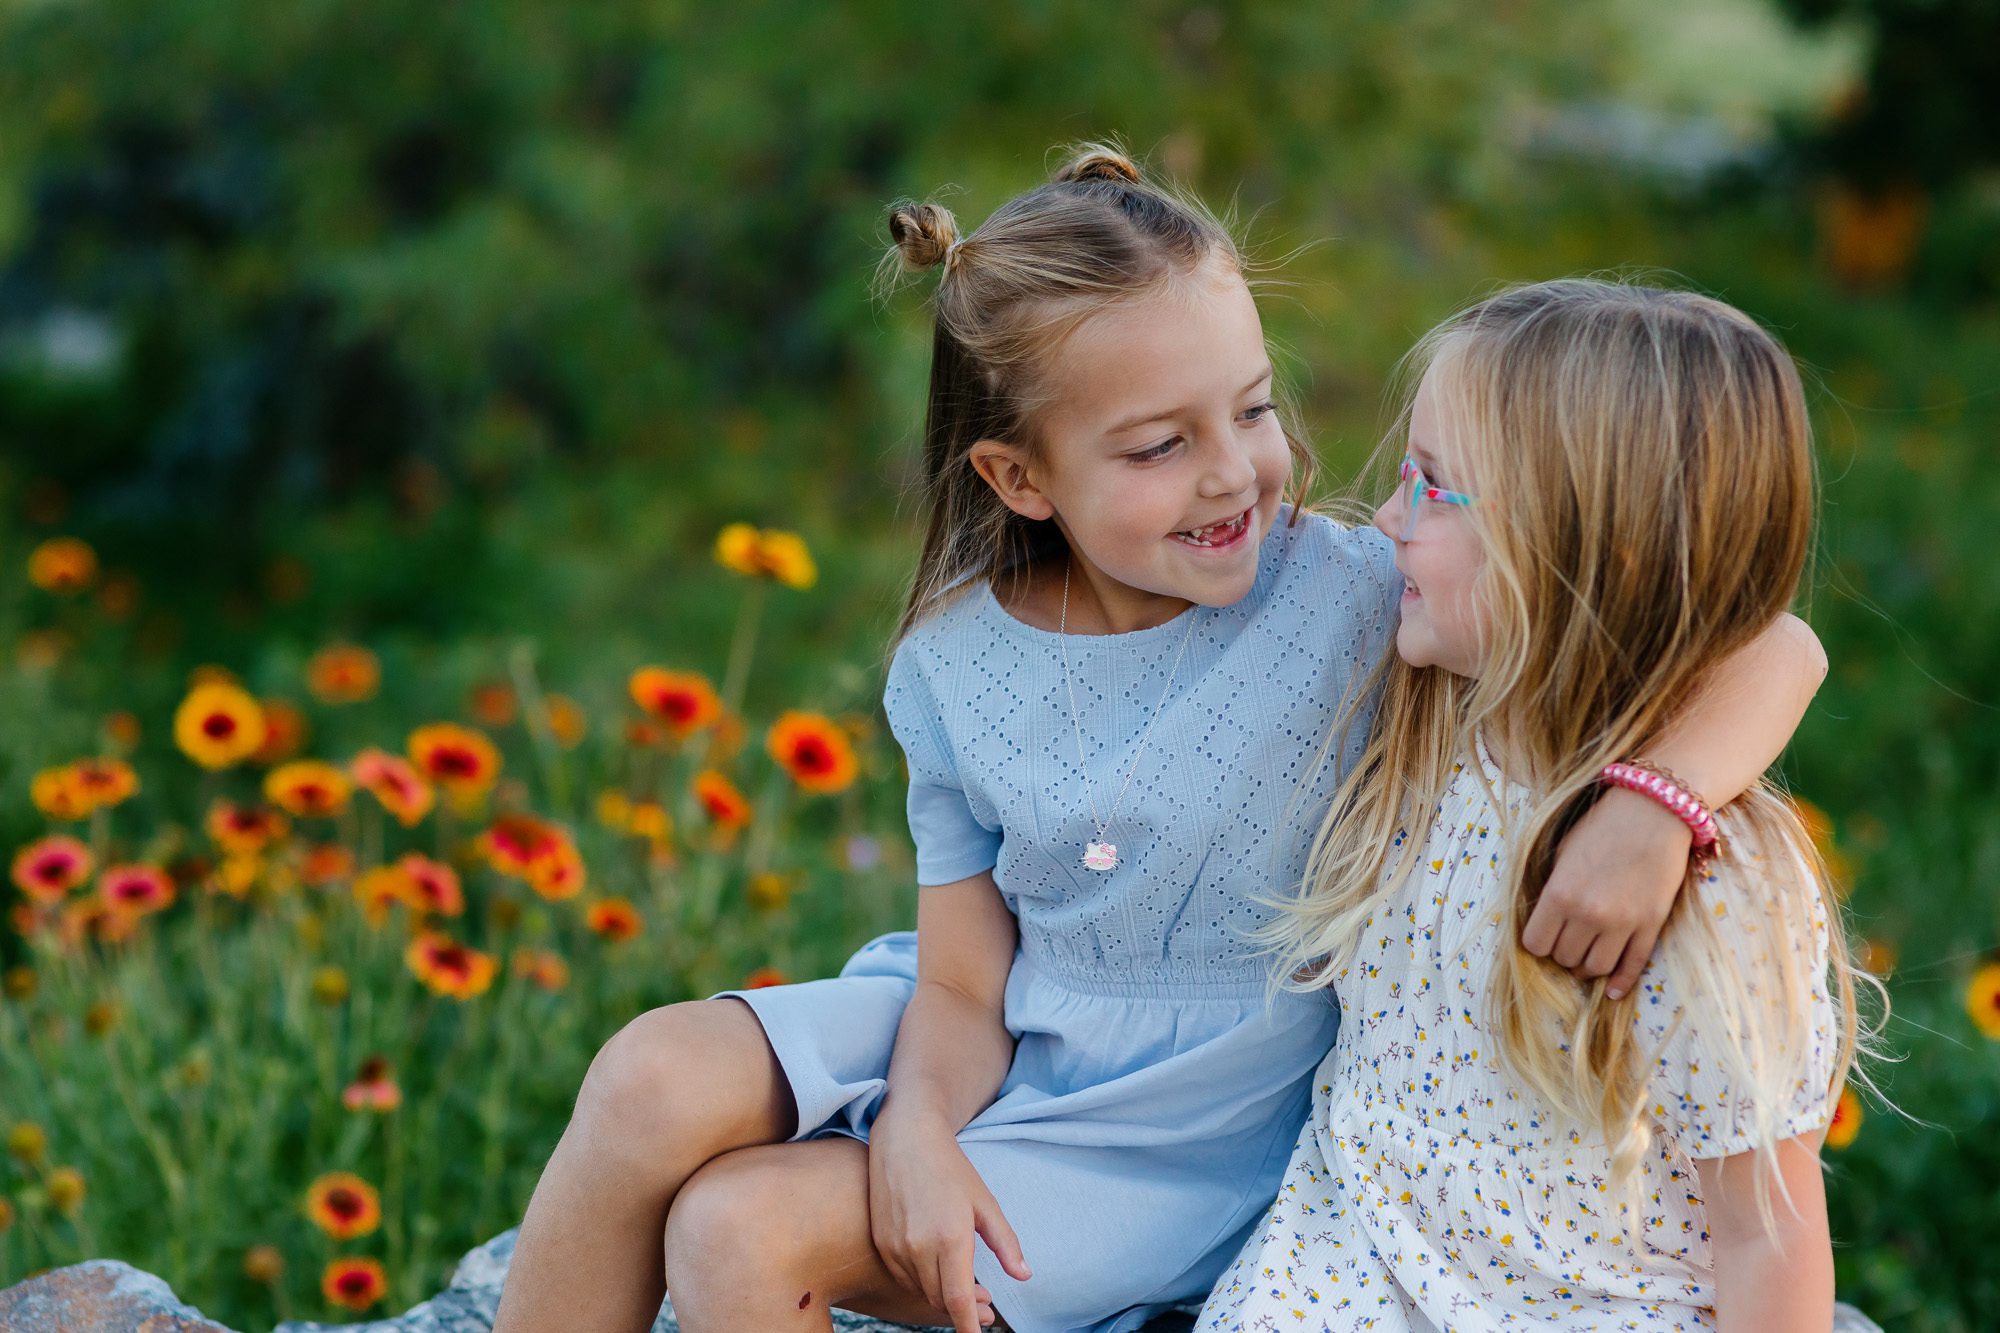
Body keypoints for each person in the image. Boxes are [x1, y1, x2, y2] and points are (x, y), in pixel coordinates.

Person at [493, 153, 1827, 1333]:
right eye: (1156, 444)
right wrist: (913, 1124)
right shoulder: (951, 668)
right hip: (1002, 1019)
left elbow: (1767, 639)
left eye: (1251, 409)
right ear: (1021, 480)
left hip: (1185, 1119)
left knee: (733, 1230)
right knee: (649, 1076)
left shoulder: (1362, 596)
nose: (1235, 473)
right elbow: (962, 985)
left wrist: (1658, 802)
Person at [1198, 279, 1873, 1333]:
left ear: (1584, 554)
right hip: (1335, 1291)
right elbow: (1789, 645)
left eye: (1431, 485)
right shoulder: (1421, 710)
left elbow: (1764, 1232)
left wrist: (1653, 803)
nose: (1383, 517)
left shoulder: (1710, 892)